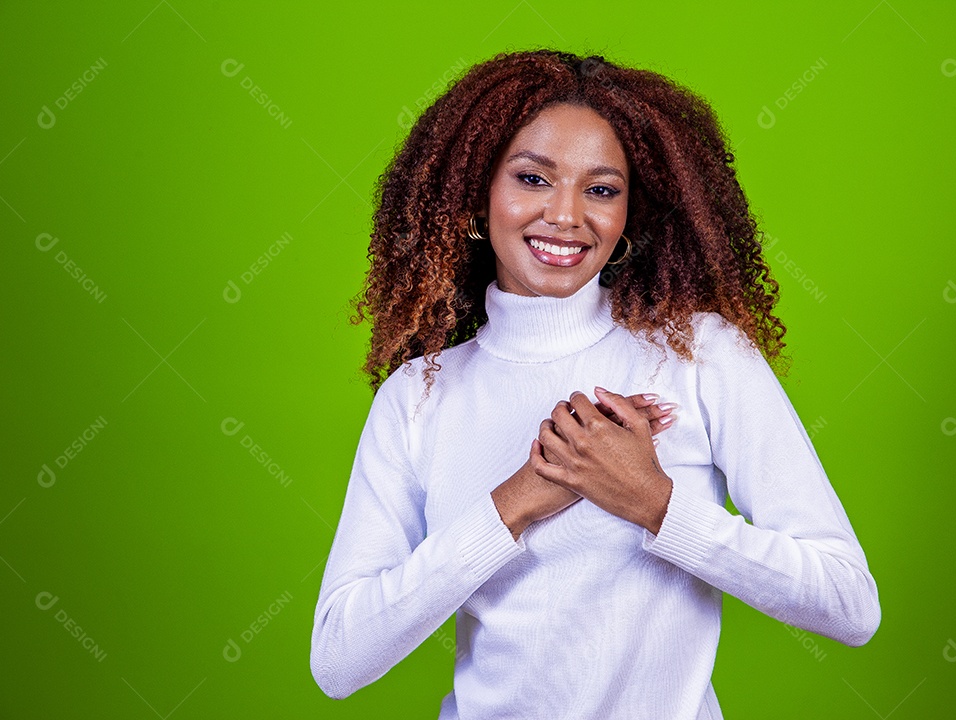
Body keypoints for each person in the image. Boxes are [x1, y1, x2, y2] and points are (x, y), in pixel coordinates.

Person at [310, 49, 880, 719]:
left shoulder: (700, 356)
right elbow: (340, 658)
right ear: (475, 196)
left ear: (629, 216)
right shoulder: (420, 396)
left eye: (602, 189)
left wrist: (653, 502)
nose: (566, 215)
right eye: (532, 178)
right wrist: (518, 500)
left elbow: (848, 604)